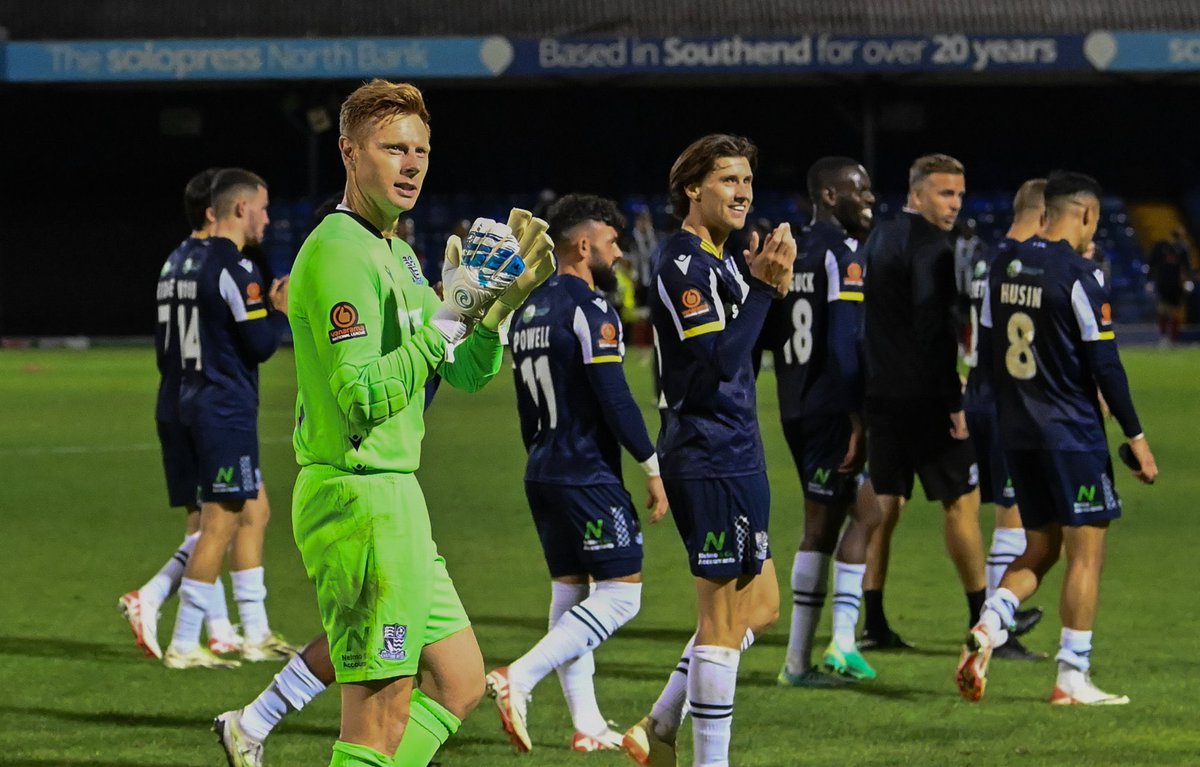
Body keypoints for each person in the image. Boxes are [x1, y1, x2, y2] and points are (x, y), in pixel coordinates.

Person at [277, 79, 553, 767]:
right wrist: (448, 312)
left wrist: (487, 312)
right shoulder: (340, 250)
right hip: (359, 497)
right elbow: (362, 395)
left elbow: (459, 371)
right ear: (349, 152)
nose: (411, 163)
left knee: (459, 679)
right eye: (393, 147)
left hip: (398, 499)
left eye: (421, 150)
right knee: (377, 718)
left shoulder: (396, 251)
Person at [623, 134, 794, 767]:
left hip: (738, 447)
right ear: (693, 188)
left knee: (763, 604)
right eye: (728, 179)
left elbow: (747, 350)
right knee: (721, 626)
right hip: (706, 451)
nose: (743, 191)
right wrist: (766, 292)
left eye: (748, 180)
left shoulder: (722, 261)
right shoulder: (682, 264)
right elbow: (719, 360)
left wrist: (765, 288)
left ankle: (661, 723)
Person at [957, 171, 1158, 705]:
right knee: (1085, 555)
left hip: (1016, 431)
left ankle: (991, 624)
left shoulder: (1002, 267)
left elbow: (989, 353)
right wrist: (1135, 435)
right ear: (1087, 214)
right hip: (1071, 433)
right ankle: (1072, 675)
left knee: (1039, 547)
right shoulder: (1080, 274)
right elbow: (1106, 365)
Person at [485, 194, 669, 754]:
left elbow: (523, 407)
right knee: (621, 596)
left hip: (542, 468)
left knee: (572, 593)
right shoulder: (590, 308)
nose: (618, 254)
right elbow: (614, 397)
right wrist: (653, 466)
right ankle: (521, 676)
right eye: (612, 243)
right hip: (585, 471)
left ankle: (587, 723)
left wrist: (541, 456)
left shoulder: (529, 312)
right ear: (583, 245)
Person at [161, 167, 295, 670]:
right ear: (240, 210)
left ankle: (254, 632)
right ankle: (185, 641)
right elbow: (259, 345)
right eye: (261, 208)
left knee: (252, 511)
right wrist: (277, 309)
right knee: (220, 522)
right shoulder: (235, 269)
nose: (266, 217)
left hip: (191, 399)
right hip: (225, 408)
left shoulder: (187, 261)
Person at [760, 157, 882, 686]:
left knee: (863, 514)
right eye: (860, 190)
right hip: (830, 408)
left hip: (795, 402)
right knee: (824, 527)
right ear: (829, 196)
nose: (869, 199)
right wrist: (858, 416)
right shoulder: (842, 255)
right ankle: (810, 657)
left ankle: (835, 646)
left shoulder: (789, 252)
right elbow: (843, 342)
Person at [860, 154, 987, 649]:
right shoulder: (935, 247)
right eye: (944, 193)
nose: (954, 203)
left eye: (958, 193)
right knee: (963, 501)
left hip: (880, 393)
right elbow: (932, 329)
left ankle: (872, 623)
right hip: (927, 397)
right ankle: (983, 621)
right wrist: (953, 402)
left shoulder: (880, 238)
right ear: (917, 194)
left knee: (886, 505)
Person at [119, 168, 241, 660]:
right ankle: (156, 599)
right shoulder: (217, 263)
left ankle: (220, 628)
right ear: (216, 211)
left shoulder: (174, 262)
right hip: (211, 402)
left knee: (204, 522)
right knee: (228, 516)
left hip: (173, 396)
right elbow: (247, 342)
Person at [961, 179, 1050, 661]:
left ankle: (997, 618)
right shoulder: (1029, 265)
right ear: (1044, 214)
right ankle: (998, 628)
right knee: (1013, 516)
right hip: (1009, 401)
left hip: (975, 392)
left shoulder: (986, 261)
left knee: (987, 507)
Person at [1148, 228, 1194, 346]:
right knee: (1163, 311)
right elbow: (1152, 264)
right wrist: (1150, 280)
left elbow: (1187, 265)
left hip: (1176, 285)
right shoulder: (1161, 247)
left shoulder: (1183, 248)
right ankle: (1164, 336)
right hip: (1163, 283)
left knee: (1174, 313)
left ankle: (1173, 338)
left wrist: (1188, 280)